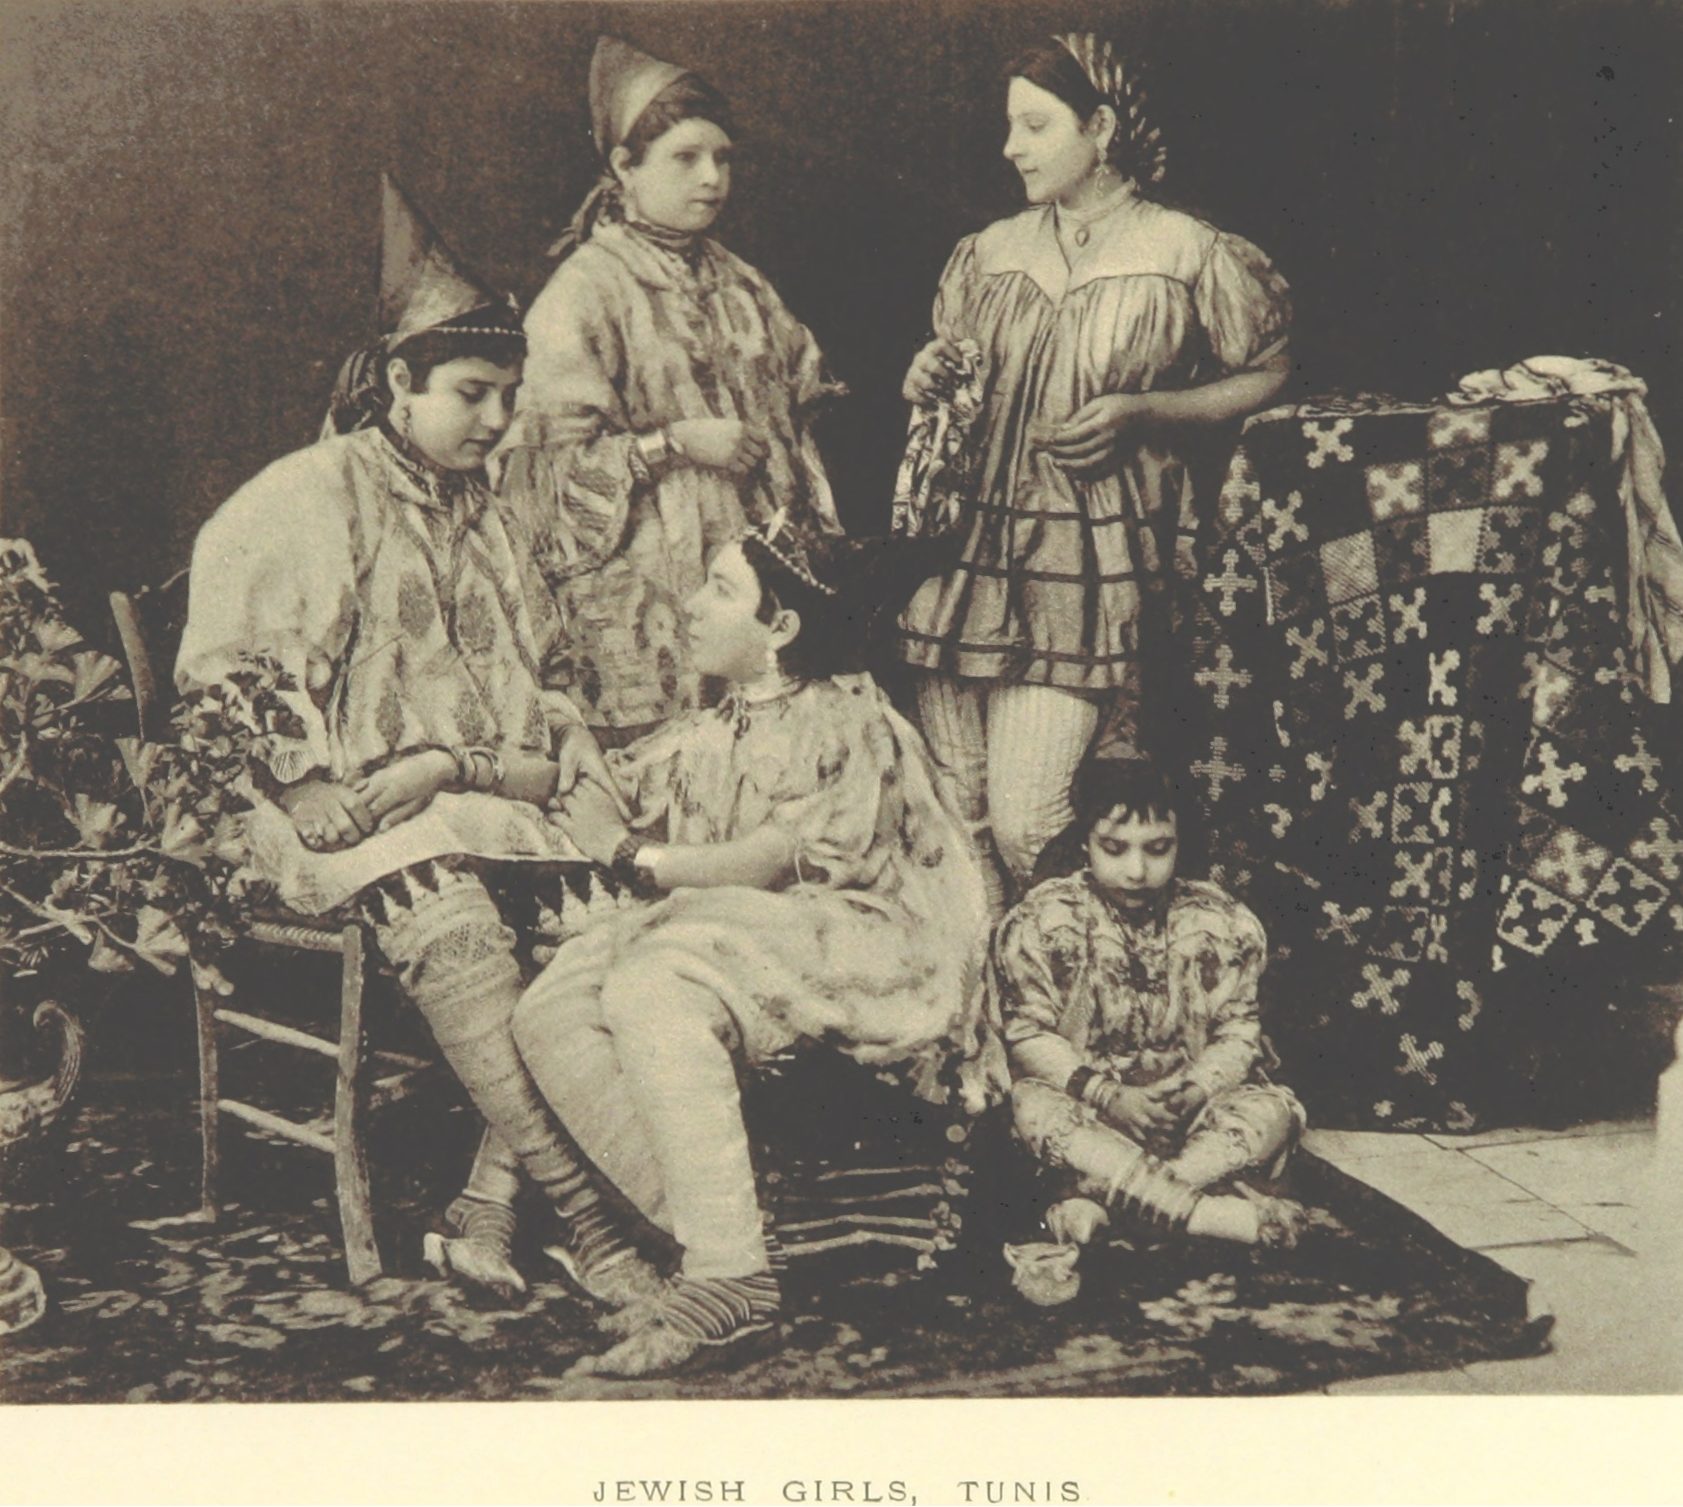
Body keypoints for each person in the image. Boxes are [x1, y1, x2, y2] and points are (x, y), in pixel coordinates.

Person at [176, 175, 636, 1303]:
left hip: (468, 795)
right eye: (472, 394)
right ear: (397, 381)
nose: (495, 421)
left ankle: (486, 1208)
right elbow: (226, 672)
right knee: (451, 914)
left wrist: (531, 748)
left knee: (607, 930)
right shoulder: (310, 494)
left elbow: (541, 671)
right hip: (310, 802)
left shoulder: (491, 509)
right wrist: (297, 783)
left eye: (509, 398)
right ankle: (594, 1225)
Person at [507, 519, 1004, 1378]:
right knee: (547, 1007)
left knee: (650, 982)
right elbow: (609, 787)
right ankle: (722, 1237)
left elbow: (766, 861)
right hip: (749, 931)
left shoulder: (846, 717)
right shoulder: (713, 725)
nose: (692, 606)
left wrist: (625, 852)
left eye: (720, 589)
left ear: (781, 627)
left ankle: (727, 1278)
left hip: (867, 938)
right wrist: (565, 742)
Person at [898, 33, 1293, 911]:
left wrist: (1146, 411)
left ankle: (1080, 975)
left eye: (1035, 126)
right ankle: (987, 991)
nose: (1012, 148)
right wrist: (924, 373)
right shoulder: (988, 251)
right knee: (957, 819)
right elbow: (953, 374)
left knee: (1027, 823)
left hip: (1085, 565)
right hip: (961, 562)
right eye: (1010, 126)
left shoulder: (1185, 249)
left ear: (1102, 127)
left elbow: (1268, 371)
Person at [495, 35, 843, 747]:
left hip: (753, 592)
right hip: (643, 597)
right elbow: (537, 482)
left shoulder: (742, 283)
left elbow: (801, 434)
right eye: (686, 158)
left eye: (722, 158)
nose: (712, 178)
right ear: (625, 167)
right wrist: (675, 443)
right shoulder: (583, 292)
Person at [990, 757, 1307, 1273]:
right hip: (1092, 1110)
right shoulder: (1043, 919)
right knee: (1026, 1105)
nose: (1136, 871)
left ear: (1180, 843)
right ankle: (1204, 1214)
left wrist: (1195, 1089)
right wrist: (1108, 1096)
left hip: (1186, 1113)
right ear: (1084, 842)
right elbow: (1026, 1032)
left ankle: (1113, 1202)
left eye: (1158, 849)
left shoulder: (1220, 920)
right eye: (1114, 849)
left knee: (1275, 1110)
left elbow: (1239, 1030)